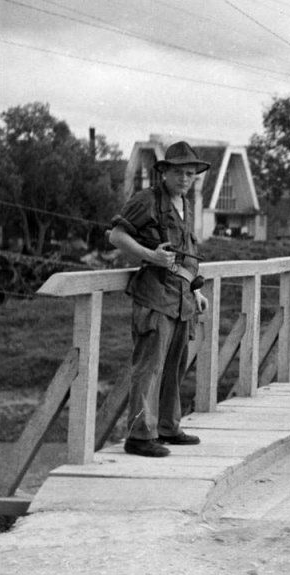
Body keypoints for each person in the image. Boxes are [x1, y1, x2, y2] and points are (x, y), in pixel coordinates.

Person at [108, 141, 210, 458]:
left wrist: (195, 289)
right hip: (154, 296)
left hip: (181, 300)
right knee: (148, 367)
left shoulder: (185, 205)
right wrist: (149, 256)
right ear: (164, 172)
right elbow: (116, 235)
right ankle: (139, 436)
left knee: (175, 366)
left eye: (190, 173)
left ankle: (167, 427)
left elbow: (186, 256)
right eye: (179, 172)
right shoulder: (147, 200)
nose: (184, 178)